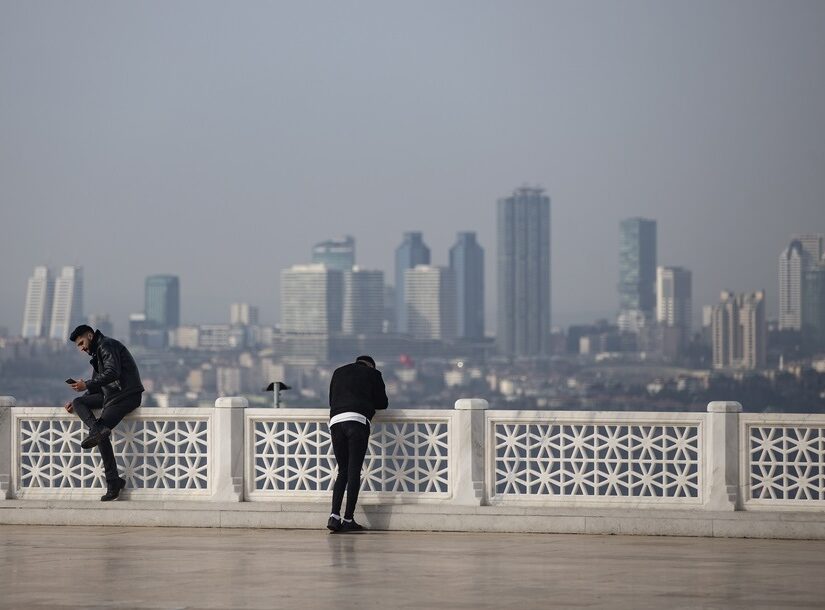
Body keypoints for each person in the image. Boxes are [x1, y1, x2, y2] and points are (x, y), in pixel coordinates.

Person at [64, 324, 144, 501]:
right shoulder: (97, 352)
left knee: (100, 433)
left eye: (81, 342)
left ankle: (113, 482)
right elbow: (97, 386)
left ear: (90, 336)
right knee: (79, 402)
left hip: (126, 395)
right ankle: (97, 431)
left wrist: (86, 383)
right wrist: (79, 401)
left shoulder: (106, 345)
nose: (81, 347)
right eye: (78, 345)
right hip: (111, 396)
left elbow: (112, 372)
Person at [326, 355, 388, 532]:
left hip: (336, 422)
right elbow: (382, 403)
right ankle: (348, 519)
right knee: (354, 471)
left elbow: (332, 400)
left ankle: (334, 516)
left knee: (342, 471)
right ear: (371, 366)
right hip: (357, 421)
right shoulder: (373, 374)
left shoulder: (338, 372)